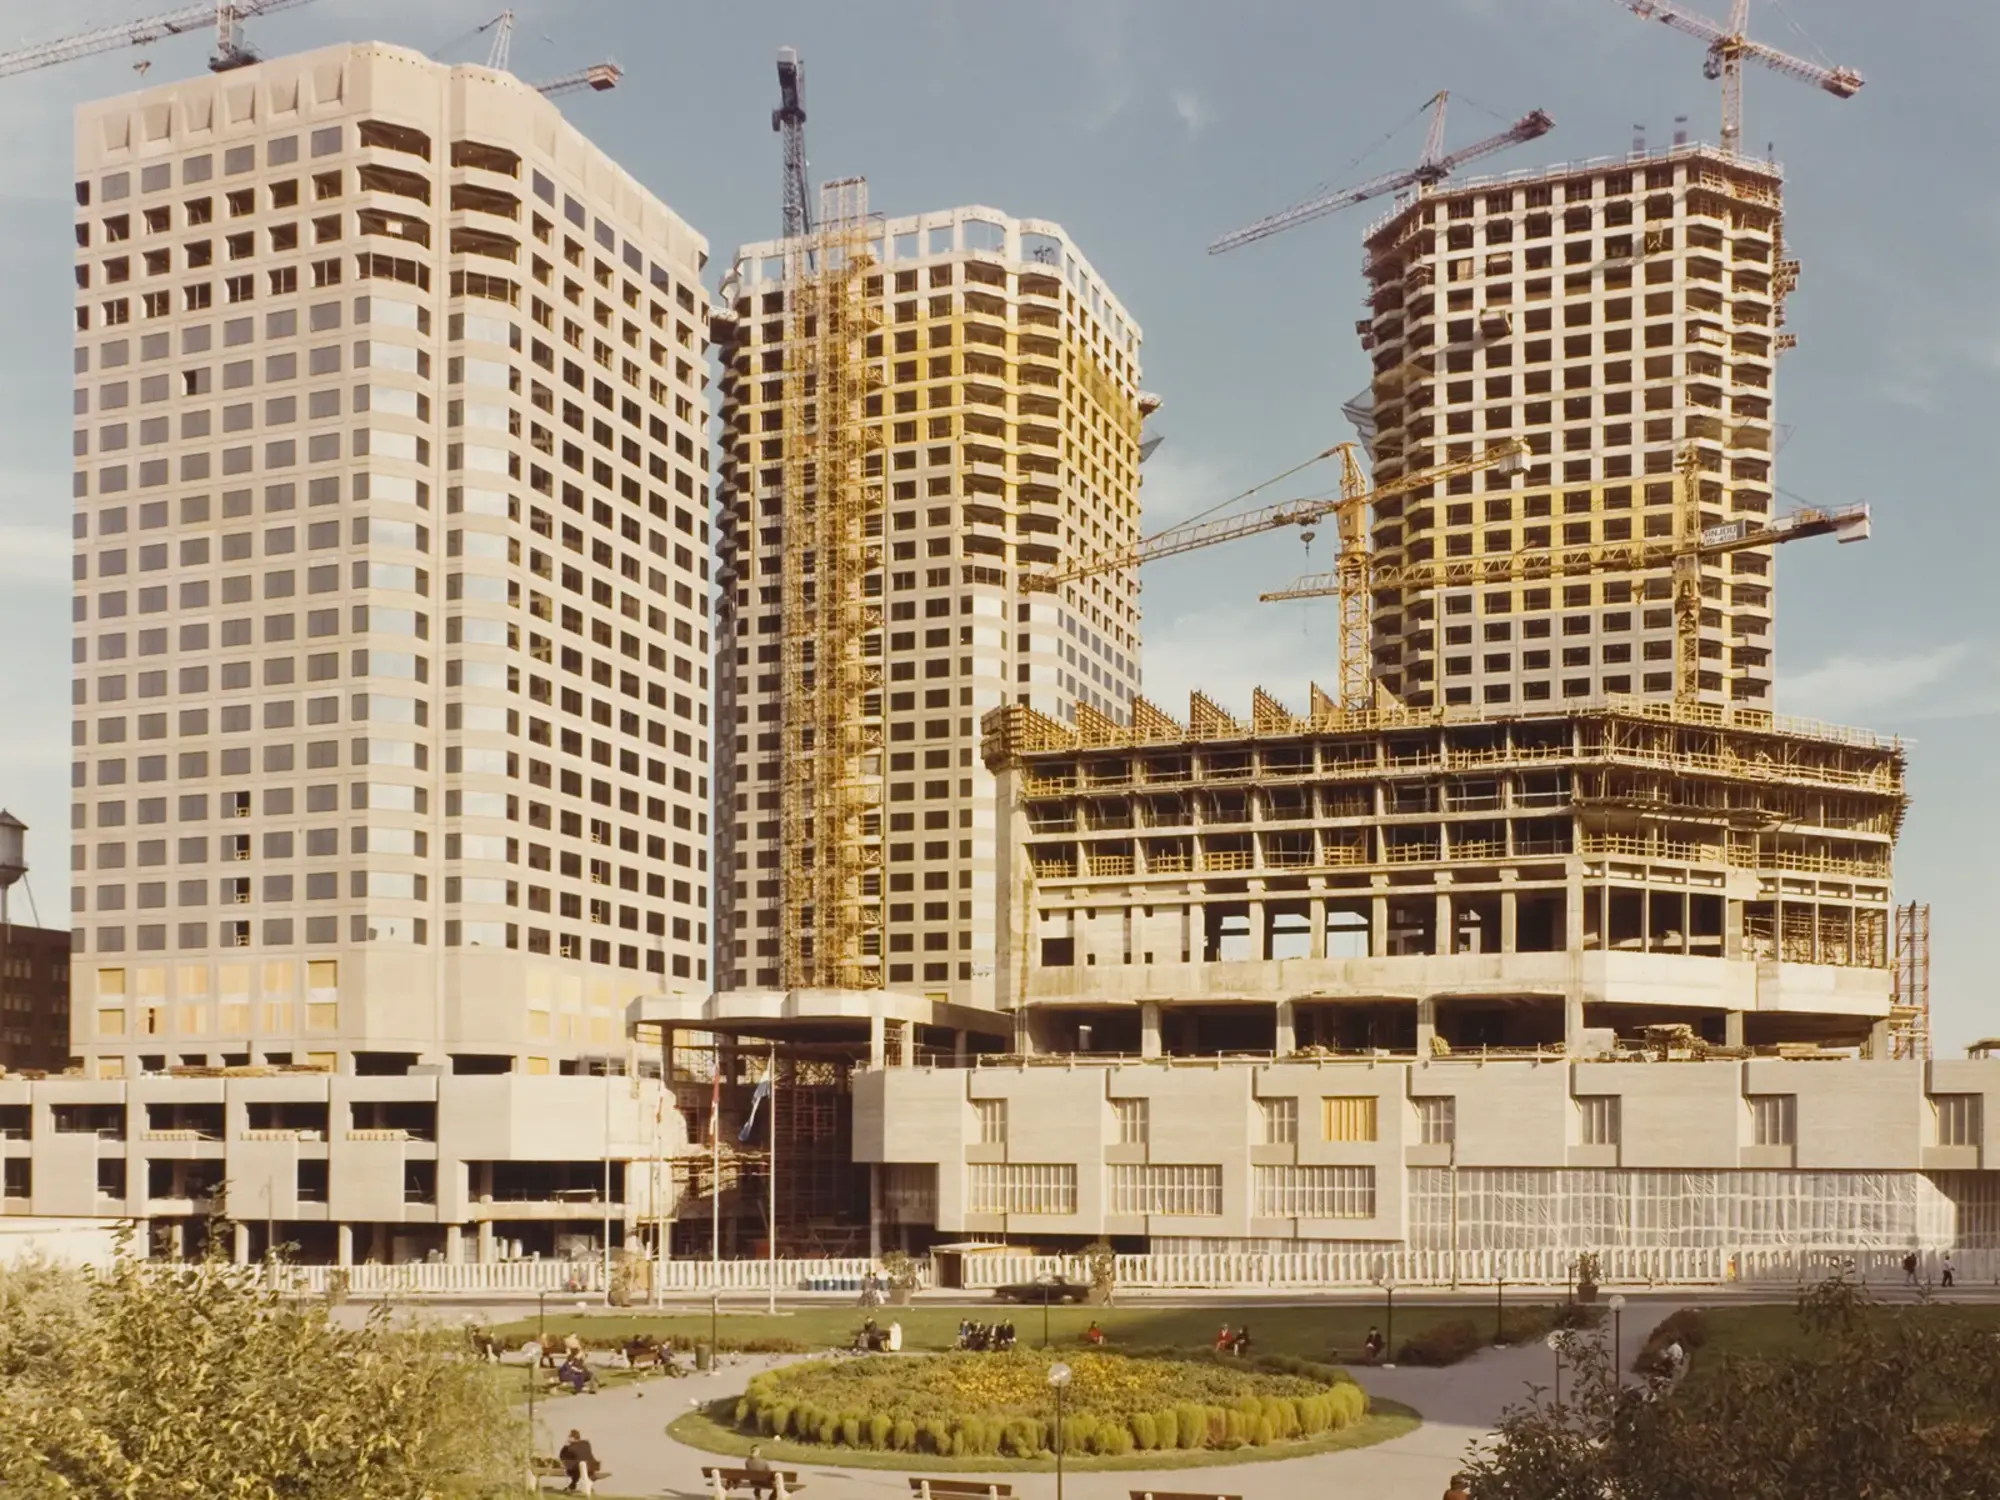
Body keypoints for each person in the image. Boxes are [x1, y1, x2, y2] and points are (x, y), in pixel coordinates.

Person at [558, 1429, 597, 1495]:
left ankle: (572, 1487)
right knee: (577, 1469)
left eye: (569, 1437)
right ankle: (572, 1487)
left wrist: (566, 1445)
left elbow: (562, 1456)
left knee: (573, 1471)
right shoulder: (586, 1443)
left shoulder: (571, 1447)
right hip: (591, 1469)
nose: (568, 1438)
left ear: (572, 1438)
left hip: (577, 1470)